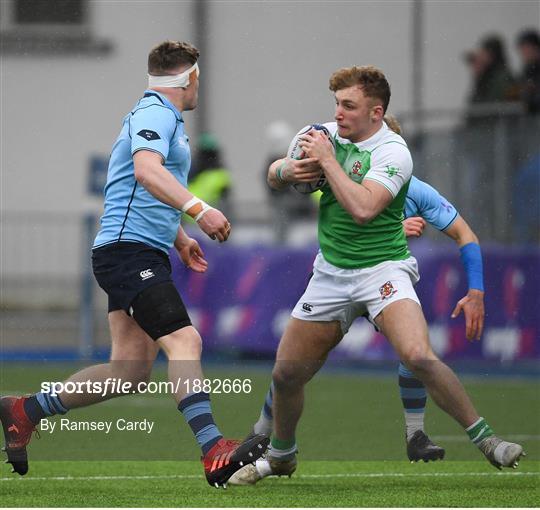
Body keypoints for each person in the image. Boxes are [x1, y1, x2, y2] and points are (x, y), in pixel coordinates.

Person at [228, 65, 524, 484]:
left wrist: (328, 164)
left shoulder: (395, 154)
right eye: (337, 104)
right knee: (286, 372)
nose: (338, 113)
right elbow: (278, 172)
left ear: (376, 112)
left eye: (348, 105)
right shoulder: (327, 135)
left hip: (383, 271)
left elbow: (365, 209)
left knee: (418, 355)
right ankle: (280, 455)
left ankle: (486, 441)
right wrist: (286, 172)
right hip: (331, 274)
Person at [0, 40, 268, 488]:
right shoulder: (156, 113)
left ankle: (25, 410)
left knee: (130, 370)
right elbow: (145, 171)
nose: (200, 83)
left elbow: (136, 185)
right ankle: (214, 450)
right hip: (128, 253)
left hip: (135, 250)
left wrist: (178, 236)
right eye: (198, 76)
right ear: (188, 79)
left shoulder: (162, 118)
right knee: (185, 340)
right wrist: (201, 211)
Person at [515, 29, 540, 115]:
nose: (523, 52)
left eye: (526, 47)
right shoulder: (526, 71)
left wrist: (531, 102)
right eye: (521, 48)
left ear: (535, 47)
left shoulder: (532, 71)